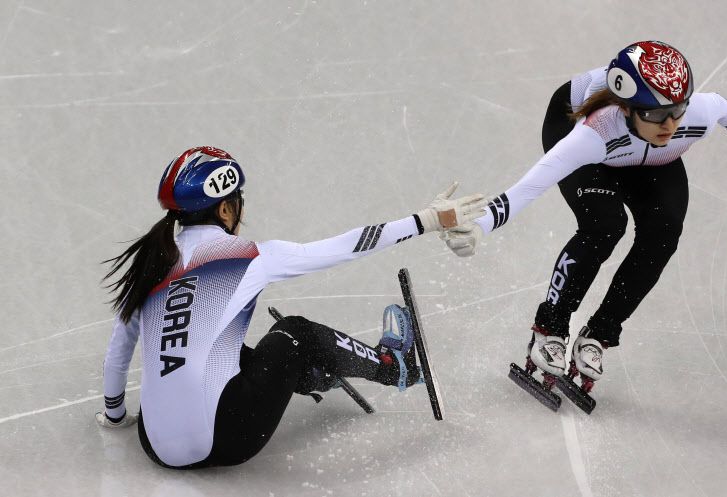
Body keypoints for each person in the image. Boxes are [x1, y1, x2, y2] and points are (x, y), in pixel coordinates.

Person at [96, 146, 487, 468]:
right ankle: (393, 367)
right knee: (296, 333)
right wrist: (427, 220)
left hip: (154, 445)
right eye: (238, 203)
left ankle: (314, 374)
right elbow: (346, 246)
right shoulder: (248, 255)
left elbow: (118, 354)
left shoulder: (152, 264)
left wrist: (116, 416)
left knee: (219, 348)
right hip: (228, 438)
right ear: (226, 210)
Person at [442, 41, 727, 393]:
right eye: (655, 113)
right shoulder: (594, 134)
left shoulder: (694, 115)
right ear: (627, 107)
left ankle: (599, 335)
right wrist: (480, 225)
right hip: (584, 137)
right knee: (605, 225)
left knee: (664, 232)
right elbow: (529, 186)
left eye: (677, 110)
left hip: (649, 156)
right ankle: (550, 328)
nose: (670, 124)